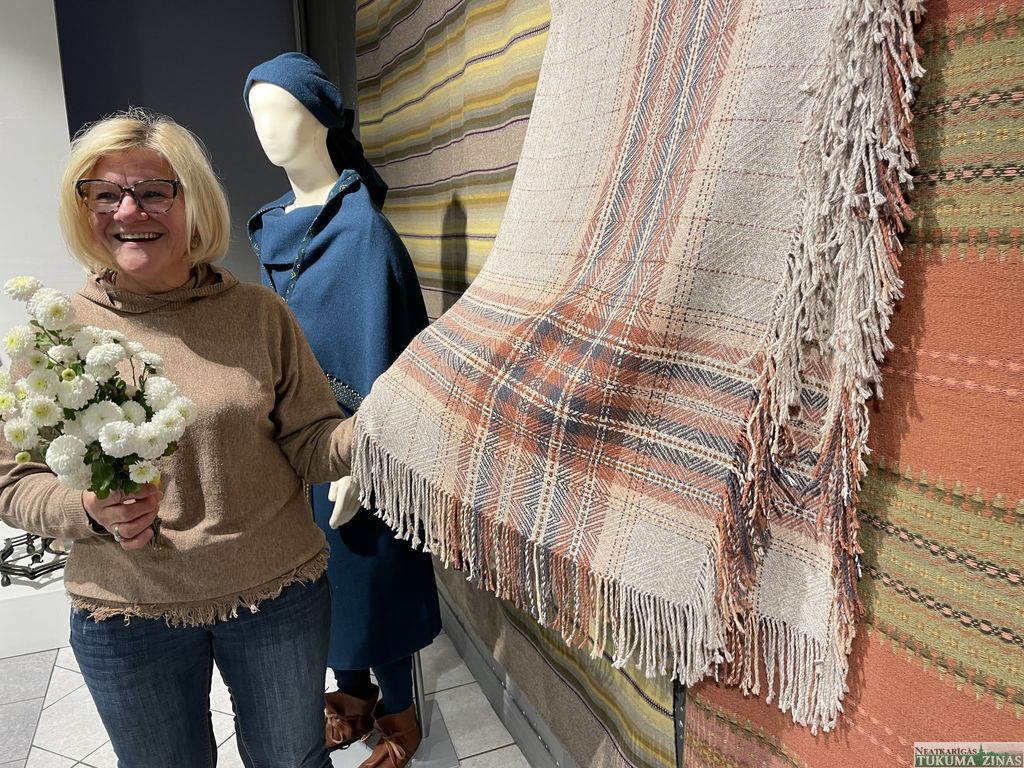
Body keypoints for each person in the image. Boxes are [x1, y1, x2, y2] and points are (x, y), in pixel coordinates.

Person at [0, 108, 355, 768]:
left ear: (194, 203)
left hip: (275, 594)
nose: (128, 211)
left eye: (153, 191)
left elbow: (311, 443)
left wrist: (382, 429)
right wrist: (86, 509)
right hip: (128, 611)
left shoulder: (259, 314)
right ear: (83, 207)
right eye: (104, 193)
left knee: (294, 760)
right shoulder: (56, 337)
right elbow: (13, 479)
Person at [243, 53, 441, 768]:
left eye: (283, 112)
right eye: (256, 116)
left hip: (360, 443)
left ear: (321, 118)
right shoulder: (273, 226)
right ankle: (351, 696)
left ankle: (399, 713)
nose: (267, 130)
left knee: (371, 573)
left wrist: (364, 455)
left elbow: (387, 349)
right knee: (322, 581)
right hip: (293, 442)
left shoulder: (361, 231)